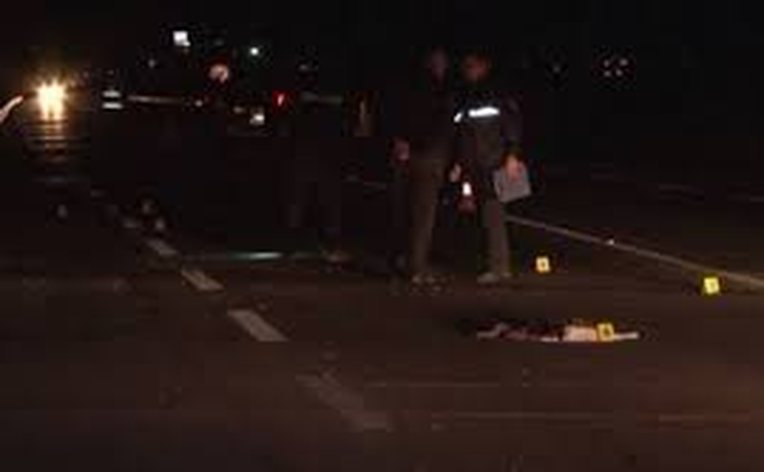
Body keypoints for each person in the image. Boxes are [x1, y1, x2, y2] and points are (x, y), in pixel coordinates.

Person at [453, 50, 524, 284]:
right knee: (484, 217)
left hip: (493, 164)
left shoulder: (496, 93)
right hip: (475, 165)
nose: (468, 70)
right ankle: (495, 265)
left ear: (484, 66)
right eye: (466, 66)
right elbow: (463, 134)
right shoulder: (467, 96)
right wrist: (459, 163)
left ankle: (499, 268)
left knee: (493, 216)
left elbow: (512, 125)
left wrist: (512, 155)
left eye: (472, 65)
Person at [390, 48, 455, 284]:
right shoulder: (442, 91)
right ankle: (417, 267)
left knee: (403, 209)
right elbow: (444, 126)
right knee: (423, 215)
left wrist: (402, 140)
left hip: (404, 154)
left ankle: (400, 259)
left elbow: (396, 114)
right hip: (428, 156)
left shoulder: (406, 86)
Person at [284, 55, 351, 263]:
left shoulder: (302, 90)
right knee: (327, 202)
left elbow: (292, 119)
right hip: (325, 153)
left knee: (300, 199)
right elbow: (344, 125)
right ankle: (328, 246)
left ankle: (294, 245)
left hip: (307, 151)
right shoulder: (338, 92)